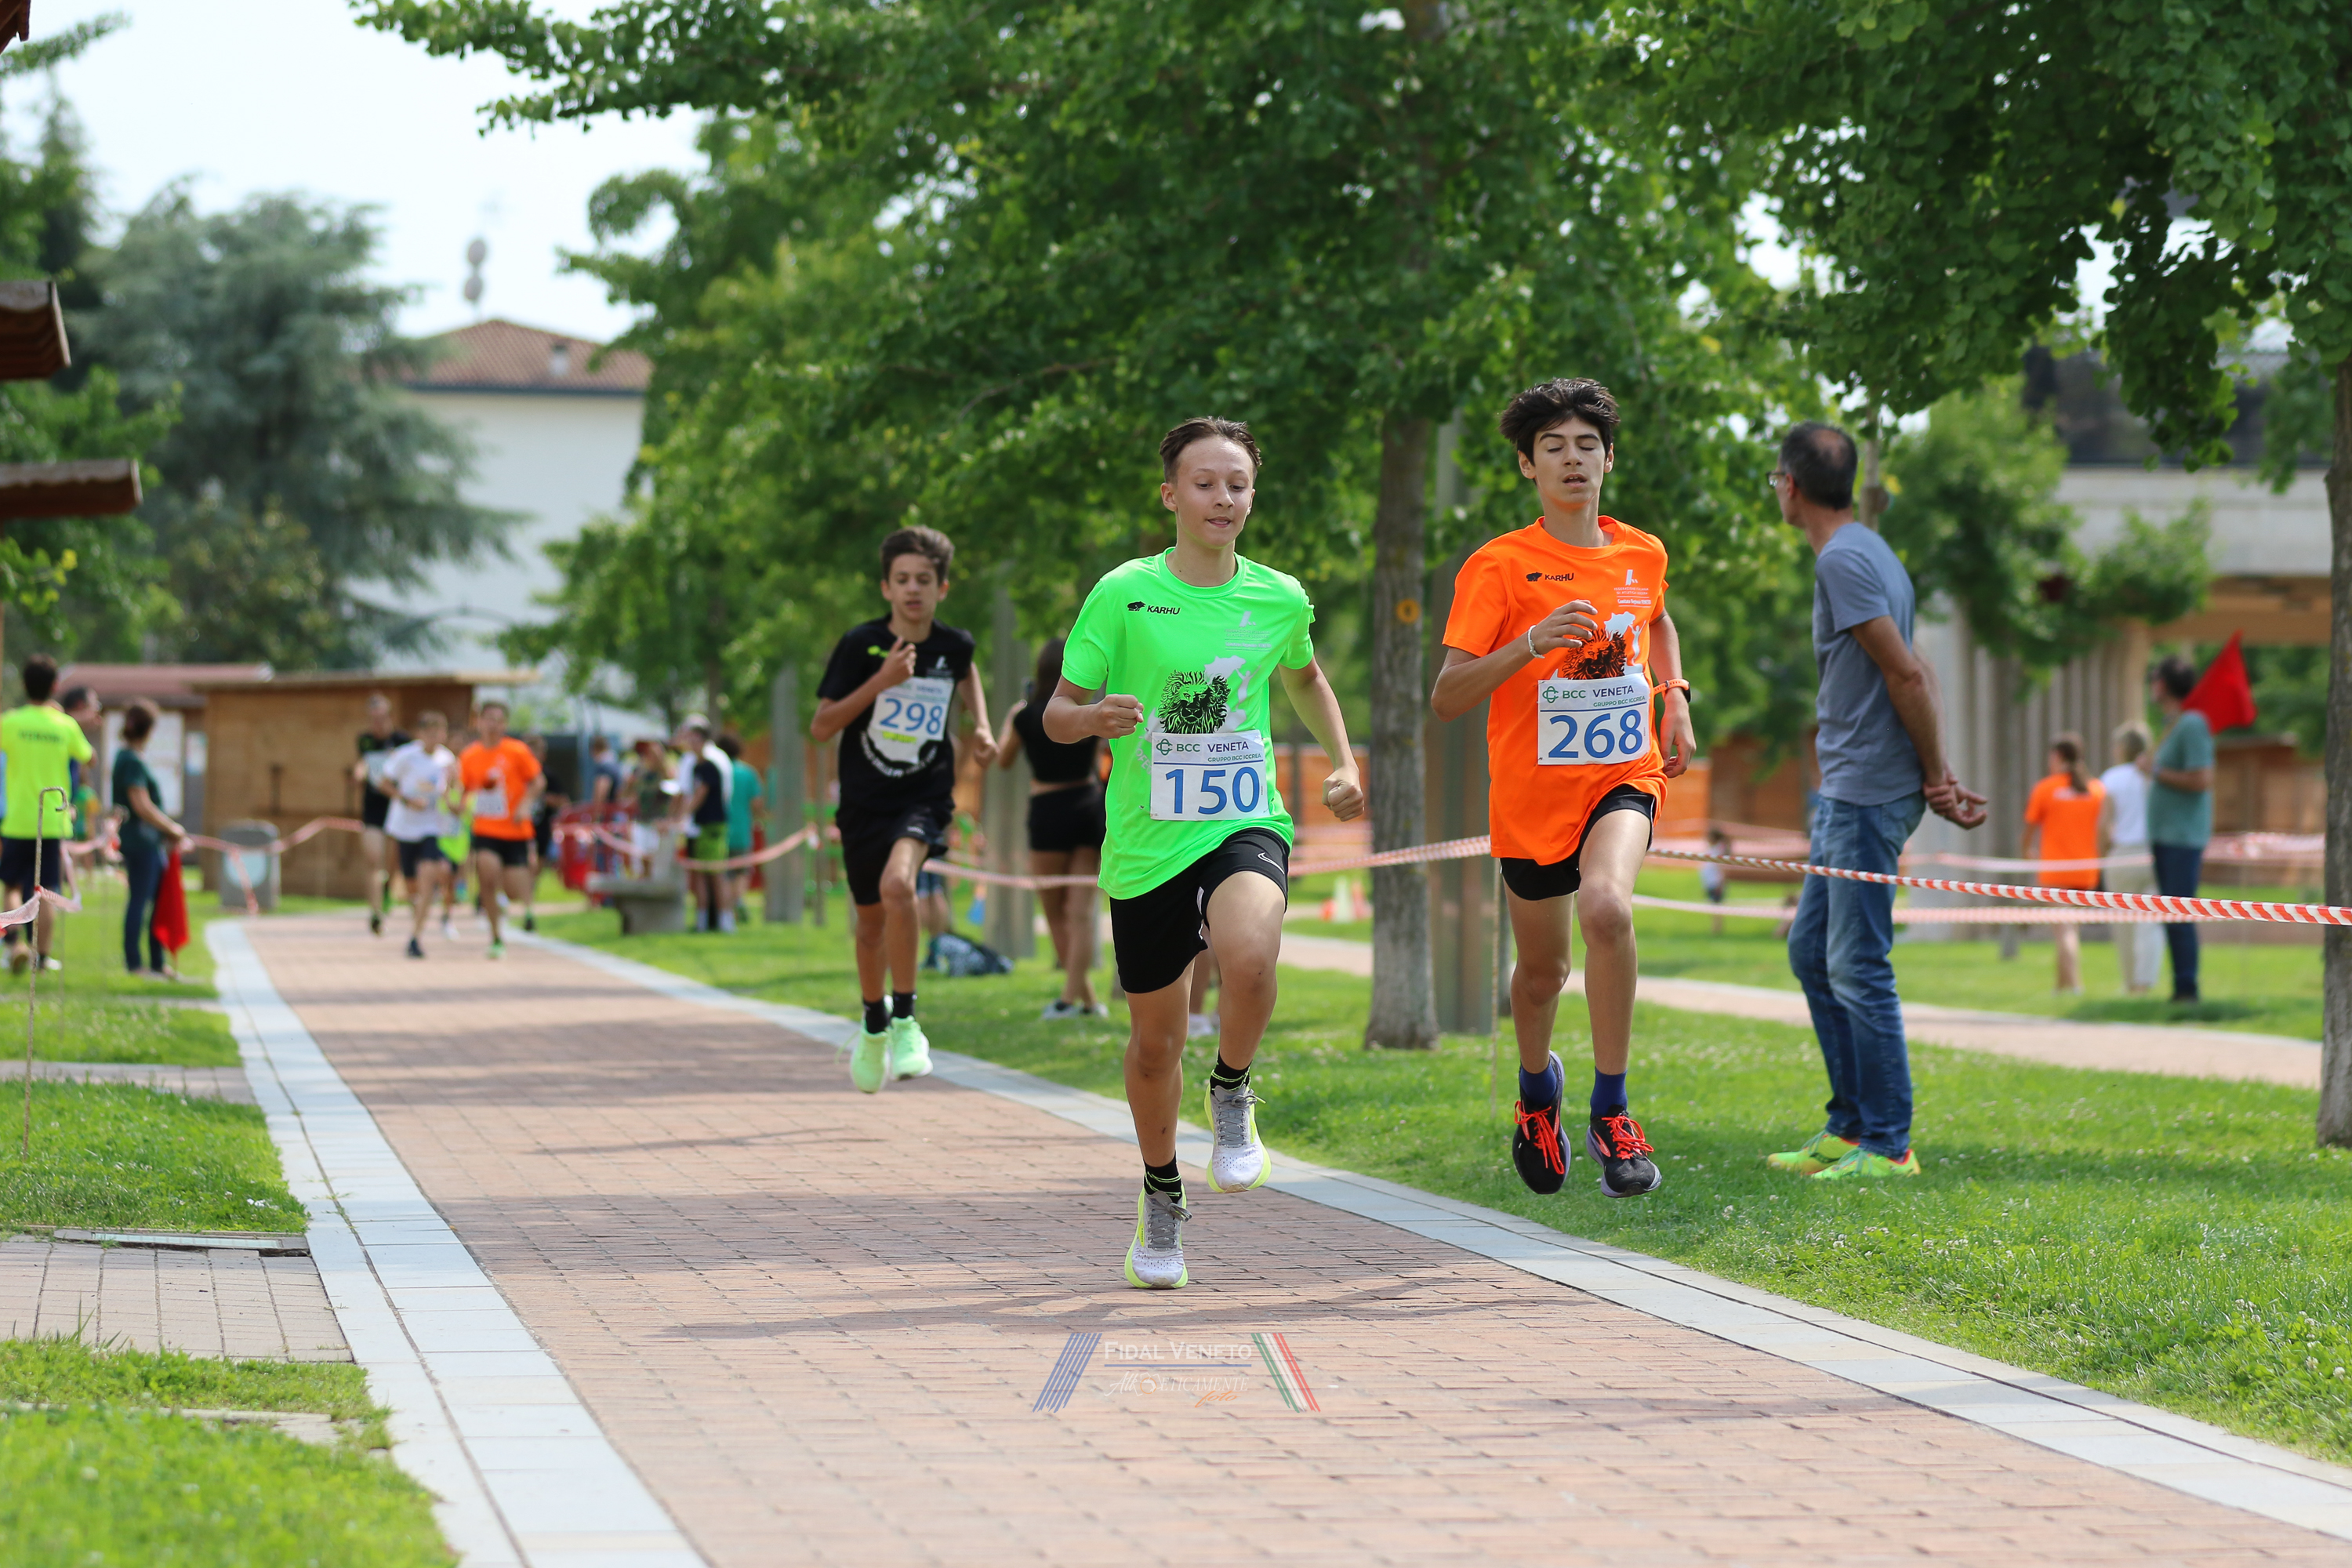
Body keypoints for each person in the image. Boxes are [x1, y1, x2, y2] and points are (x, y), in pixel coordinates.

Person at [1045, 415, 1365, 1290]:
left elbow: (1306, 676)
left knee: (1250, 954)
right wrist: (1093, 718)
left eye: (1238, 484)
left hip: (1241, 817)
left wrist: (1341, 760)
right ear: (1171, 495)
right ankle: (1161, 1191)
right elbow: (1057, 713)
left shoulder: (1279, 597)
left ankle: (1231, 1084)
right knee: (1154, 1044)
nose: (1223, 498)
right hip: (1149, 842)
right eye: (1205, 483)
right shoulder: (1124, 593)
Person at [1432, 378, 1697, 1201]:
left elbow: (1656, 618)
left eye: (1587, 445)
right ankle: (1536, 1091)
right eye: (1554, 448)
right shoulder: (1499, 566)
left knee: (1607, 909)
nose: (1572, 460)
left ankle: (1611, 1111)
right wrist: (1529, 643)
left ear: (1609, 459)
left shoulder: (1642, 553)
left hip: (1622, 775)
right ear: (1528, 466)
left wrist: (1675, 696)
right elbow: (1447, 695)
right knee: (1542, 972)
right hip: (1531, 798)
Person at [1766, 421, 1986, 1181]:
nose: (1777, 491)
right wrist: (1939, 772)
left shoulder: (1845, 560)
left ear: (1793, 486)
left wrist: (1935, 776)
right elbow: (1917, 664)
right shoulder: (1868, 550)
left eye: (1776, 479)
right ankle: (1851, 1126)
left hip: (1866, 791)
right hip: (1849, 788)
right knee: (1811, 952)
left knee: (1858, 964)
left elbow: (1908, 674)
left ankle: (1890, 1144)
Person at [812, 526, 997, 1092]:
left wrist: (982, 726)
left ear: (942, 588)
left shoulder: (953, 645)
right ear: (886, 588)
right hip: (864, 802)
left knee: (899, 886)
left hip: (924, 796)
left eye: (924, 579)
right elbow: (822, 726)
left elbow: (965, 668)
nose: (913, 589)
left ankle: (907, 1020)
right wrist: (882, 681)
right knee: (870, 925)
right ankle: (874, 1026)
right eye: (902, 580)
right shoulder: (861, 644)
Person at [996, 637, 1107, 1018]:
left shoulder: (1027, 716)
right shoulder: (1088, 714)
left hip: (1048, 810)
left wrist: (1013, 717)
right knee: (1081, 912)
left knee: (1055, 911)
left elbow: (1003, 760)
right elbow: (1102, 756)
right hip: (1088, 806)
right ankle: (1086, 1000)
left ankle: (1068, 1000)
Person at [0, 655, 89, 975]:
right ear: (55, 686)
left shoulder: (10, 722)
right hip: (52, 820)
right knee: (47, 890)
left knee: (12, 887)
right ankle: (42, 956)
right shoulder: (64, 724)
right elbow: (88, 757)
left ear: (24, 685)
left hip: (17, 820)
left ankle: (14, 946)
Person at [2147, 655, 2213, 1004]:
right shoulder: (2172, 724)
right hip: (2165, 836)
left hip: (2182, 838)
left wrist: (2156, 771)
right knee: (2170, 913)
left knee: (2179, 912)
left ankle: (2187, 988)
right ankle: (2180, 987)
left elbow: (2202, 779)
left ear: (2163, 684)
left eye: (2154, 678)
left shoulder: (2192, 724)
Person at [457, 700, 543, 959]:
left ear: (505, 724)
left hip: (515, 829)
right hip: (485, 828)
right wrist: (459, 805)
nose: (493, 725)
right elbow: (464, 790)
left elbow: (538, 782)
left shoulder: (517, 751)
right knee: (487, 874)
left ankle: (523, 907)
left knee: (514, 889)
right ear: (479, 722)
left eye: (498, 720)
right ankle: (496, 937)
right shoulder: (469, 756)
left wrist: (524, 805)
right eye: (489, 719)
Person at [2023, 733, 2104, 995]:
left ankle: (2075, 986)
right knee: (2069, 928)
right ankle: (2060, 986)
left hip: (2055, 871)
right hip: (2086, 871)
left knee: (2064, 931)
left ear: (2057, 756)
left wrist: (2027, 852)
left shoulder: (2046, 788)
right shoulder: (2096, 789)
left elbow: (2029, 830)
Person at [112, 699, 188, 979]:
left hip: (147, 842)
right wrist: (172, 828)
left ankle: (157, 962)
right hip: (141, 843)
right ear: (149, 729)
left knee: (156, 900)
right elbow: (141, 805)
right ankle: (135, 964)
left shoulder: (128, 757)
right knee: (140, 901)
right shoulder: (132, 760)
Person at [380, 711, 459, 960]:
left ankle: (415, 937)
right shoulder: (406, 756)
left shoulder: (447, 759)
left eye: (439, 732)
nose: (434, 737)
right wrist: (407, 800)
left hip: (431, 827)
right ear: (420, 734)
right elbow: (384, 783)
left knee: (429, 877)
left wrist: (453, 799)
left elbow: (450, 789)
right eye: (429, 732)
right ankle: (415, 919)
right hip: (405, 828)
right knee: (413, 888)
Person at [2098, 721, 2160, 996]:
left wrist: (2102, 853)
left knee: (2123, 924)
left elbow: (2104, 823)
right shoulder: (2153, 777)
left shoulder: (2112, 778)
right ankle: (2145, 982)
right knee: (2152, 923)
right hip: (2153, 854)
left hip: (2122, 855)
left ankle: (2130, 982)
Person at [350, 693, 410, 937]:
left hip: (396, 808)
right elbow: (363, 763)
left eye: (381, 717)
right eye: (373, 718)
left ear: (390, 717)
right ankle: (375, 912)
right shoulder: (364, 740)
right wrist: (359, 773)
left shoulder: (402, 741)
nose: (377, 722)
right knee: (373, 860)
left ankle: (388, 891)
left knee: (393, 862)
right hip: (373, 809)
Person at [675, 718, 731, 932]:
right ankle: (702, 921)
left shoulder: (711, 764)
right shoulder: (695, 765)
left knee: (716, 874)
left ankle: (725, 921)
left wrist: (682, 816)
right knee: (698, 874)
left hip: (713, 826)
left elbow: (700, 794)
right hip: (698, 826)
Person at [717, 733, 763, 931]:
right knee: (741, 872)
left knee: (724, 875)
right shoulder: (747, 773)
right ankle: (738, 900)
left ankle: (727, 913)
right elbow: (757, 803)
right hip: (743, 830)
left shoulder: (719, 771)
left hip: (720, 830)